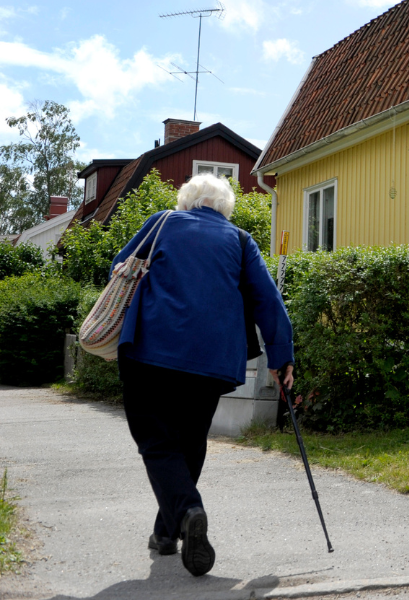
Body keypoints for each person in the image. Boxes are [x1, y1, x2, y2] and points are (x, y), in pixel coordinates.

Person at [110, 174, 293, 577]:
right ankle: (166, 532)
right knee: (189, 442)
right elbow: (268, 300)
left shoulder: (164, 223)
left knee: (157, 440)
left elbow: (117, 270)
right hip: (213, 362)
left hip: (152, 353)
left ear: (187, 200)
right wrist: (281, 357)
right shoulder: (242, 240)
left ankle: (190, 510)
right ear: (225, 207)